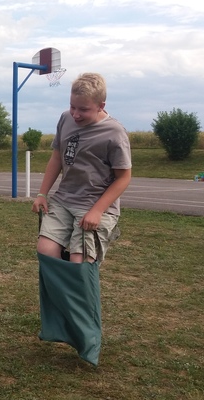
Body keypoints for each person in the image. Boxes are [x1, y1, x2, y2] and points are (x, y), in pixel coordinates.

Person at [31, 72, 132, 263]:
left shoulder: (115, 133)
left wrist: (97, 211)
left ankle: (80, 283)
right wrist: (42, 194)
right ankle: (62, 284)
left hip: (95, 205)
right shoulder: (65, 119)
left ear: (101, 106)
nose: (76, 114)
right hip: (64, 200)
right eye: (72, 106)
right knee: (46, 251)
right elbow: (56, 158)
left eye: (83, 110)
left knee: (80, 261)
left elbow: (124, 177)